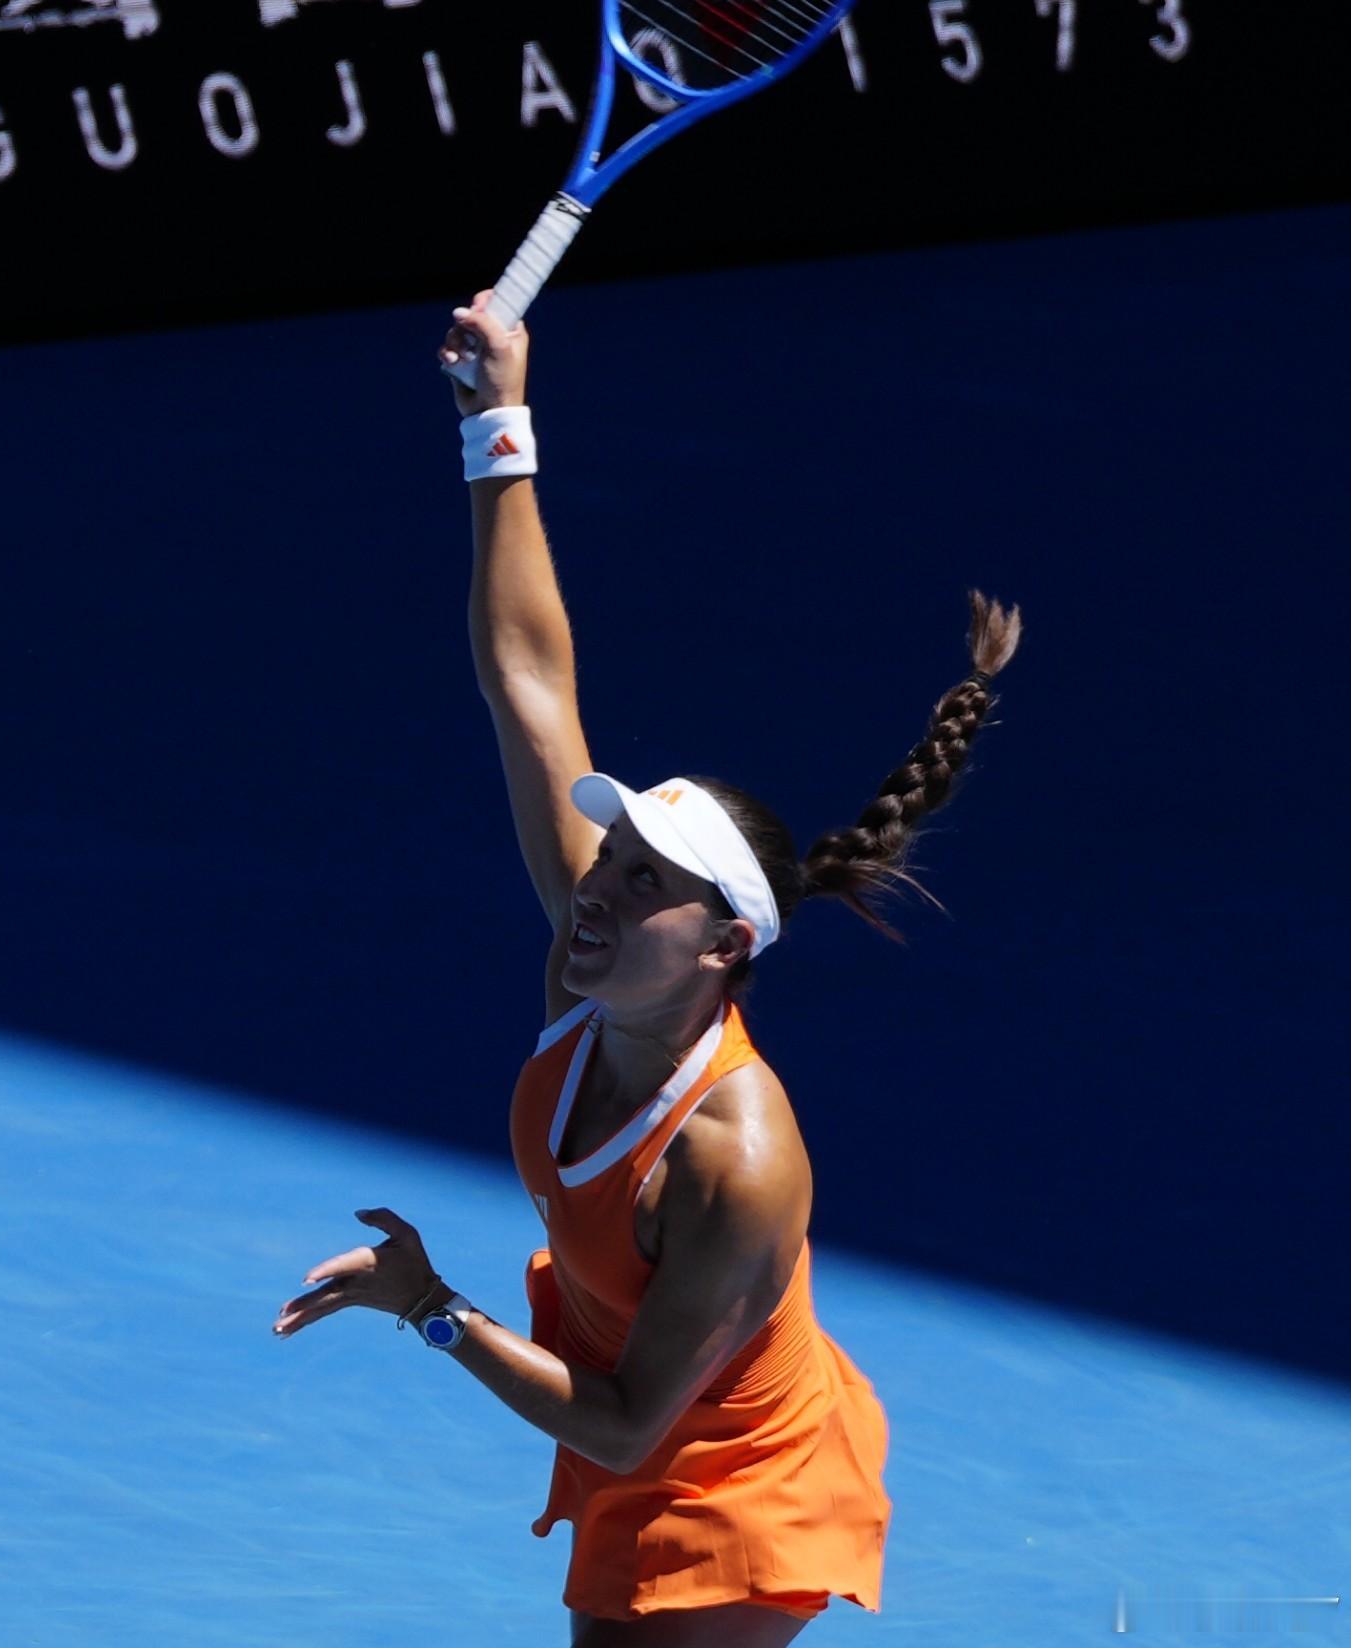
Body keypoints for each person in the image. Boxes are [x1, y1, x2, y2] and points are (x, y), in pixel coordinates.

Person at [274, 292, 1022, 1644]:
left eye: (643, 884)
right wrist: (499, 422)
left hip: (732, 1480)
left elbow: (624, 1429)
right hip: (628, 1390)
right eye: (610, 859)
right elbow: (528, 680)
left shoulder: (738, 1159)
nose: (597, 891)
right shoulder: (594, 967)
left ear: (725, 948)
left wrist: (430, 1308)